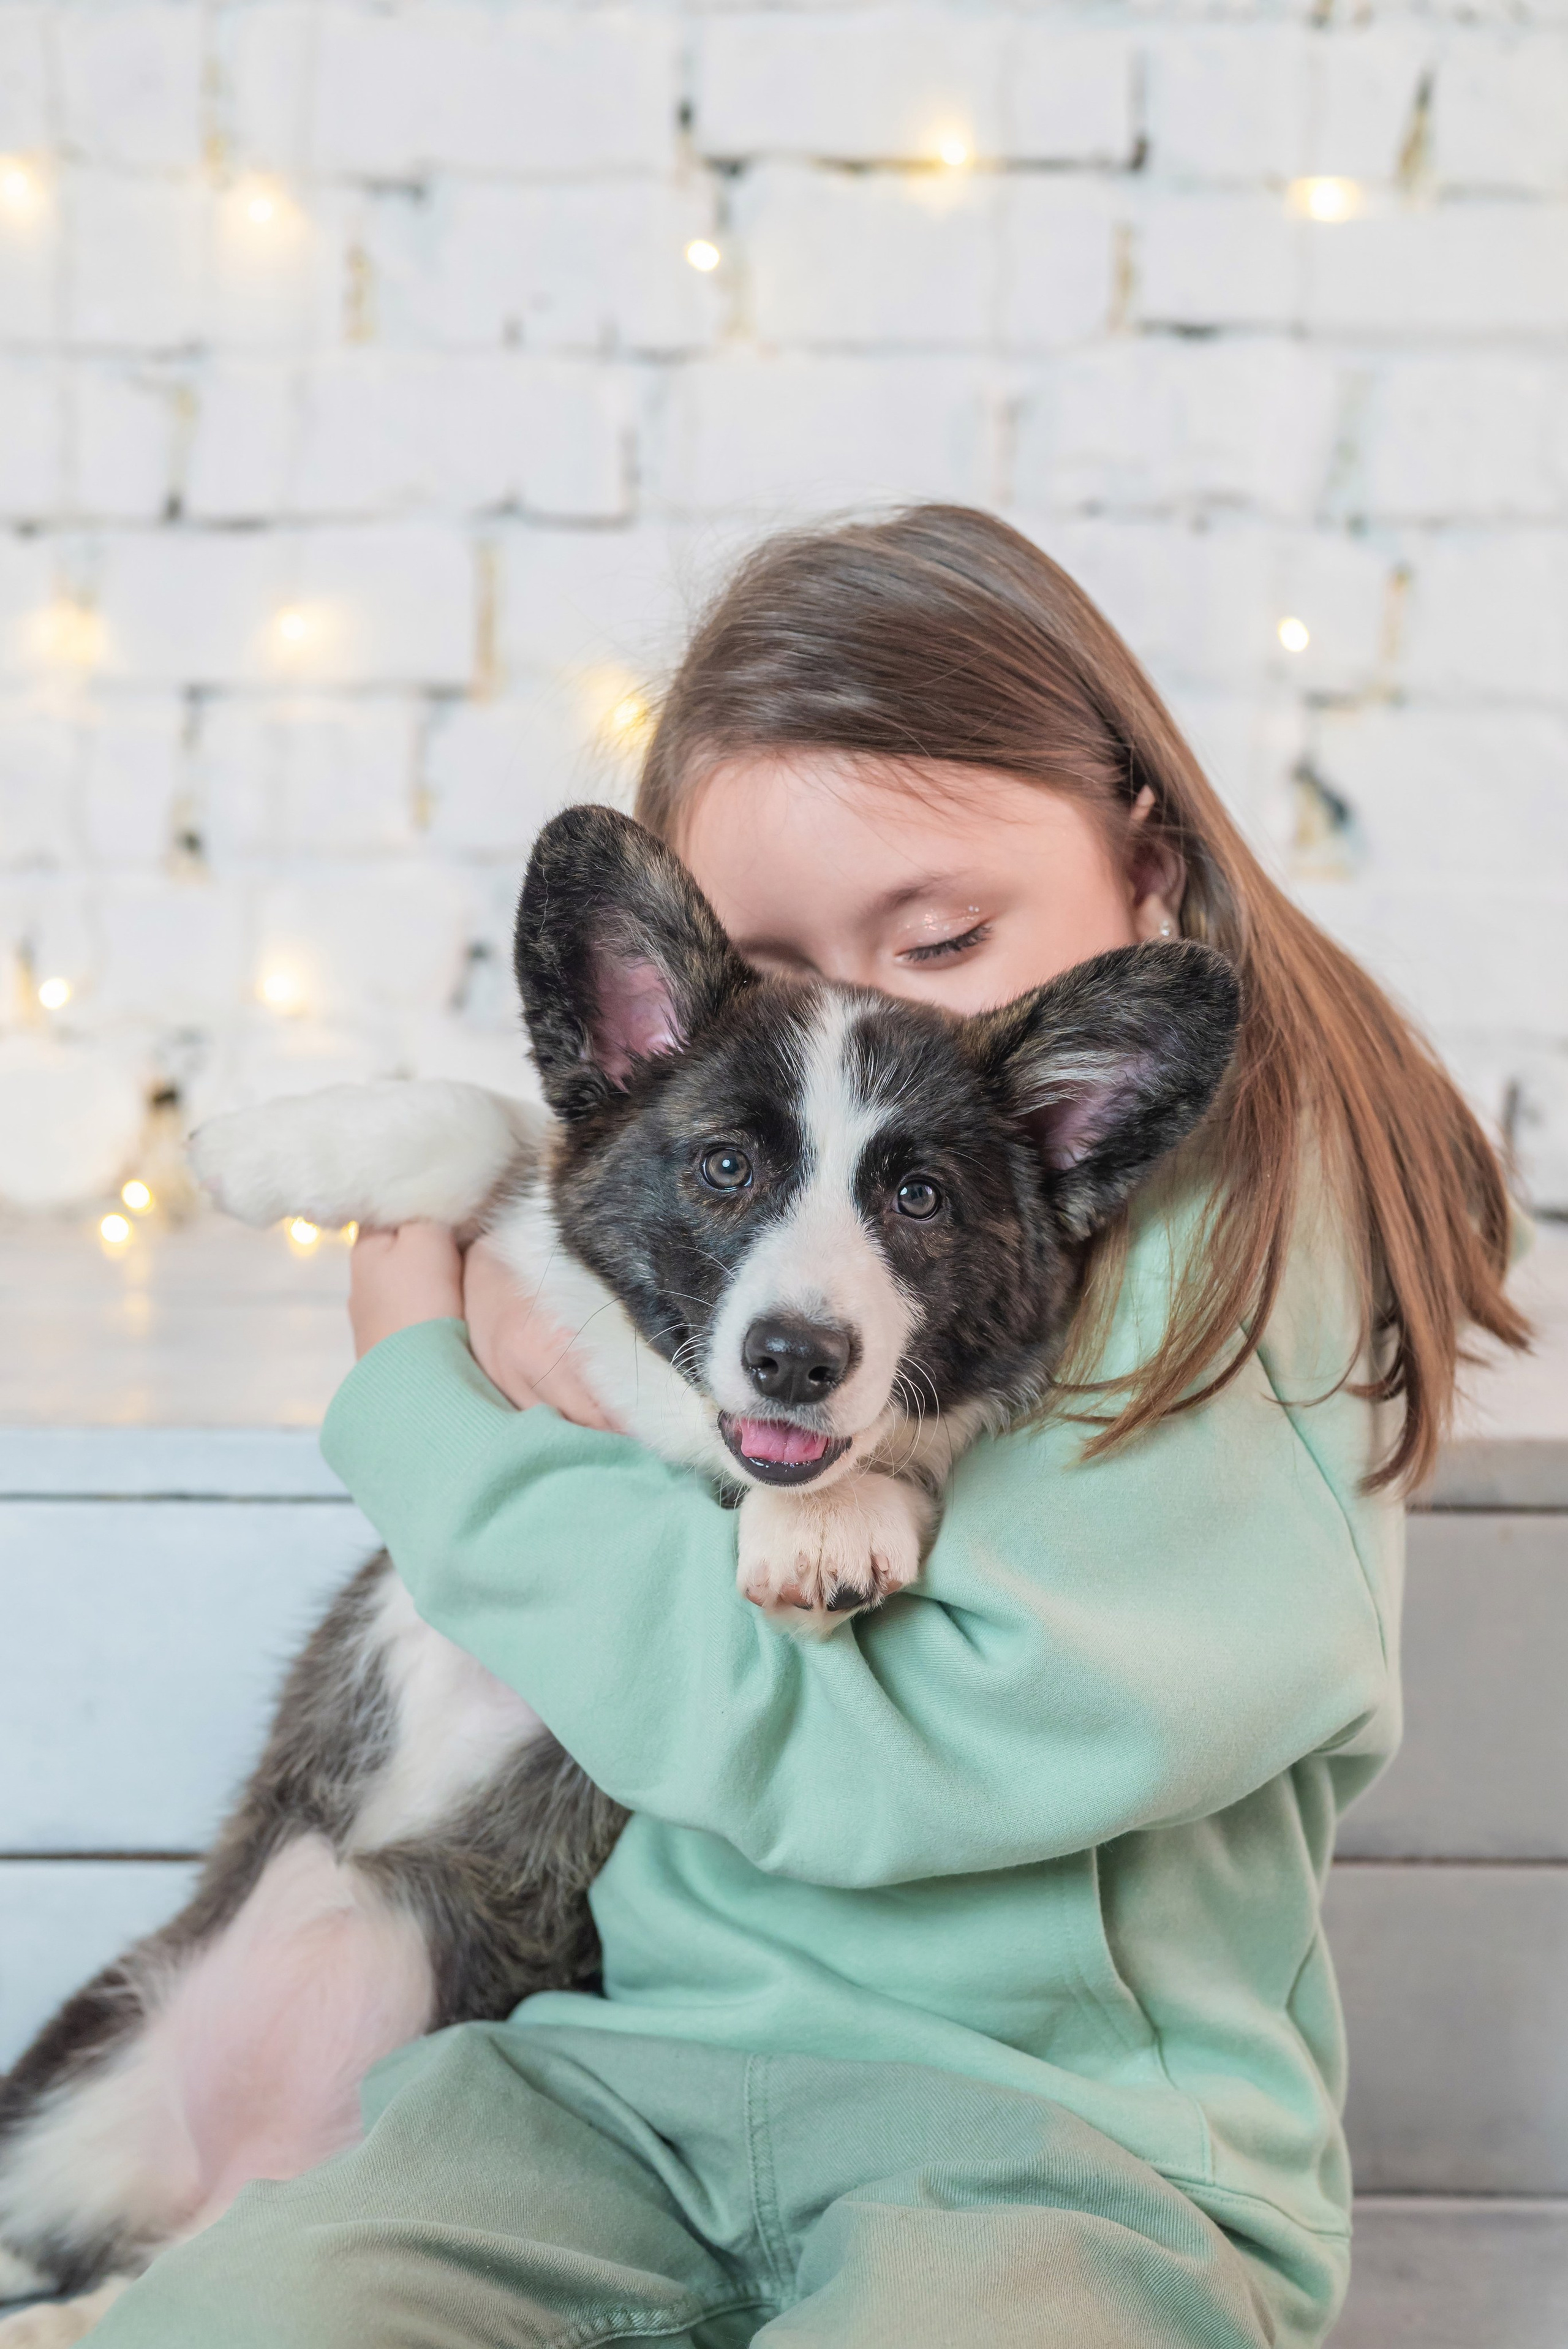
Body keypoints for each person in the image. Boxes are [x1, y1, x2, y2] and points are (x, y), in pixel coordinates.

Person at [93, 507, 1525, 2349]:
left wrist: (440, 1425)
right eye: (775, 966)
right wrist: (553, 1284)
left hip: (1061, 2159)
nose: (867, 1019)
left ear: (1144, 866)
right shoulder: (768, 1234)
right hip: (629, 2091)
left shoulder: (1249, 1267)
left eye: (938, 936)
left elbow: (883, 1767)